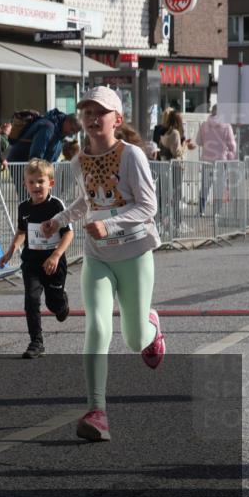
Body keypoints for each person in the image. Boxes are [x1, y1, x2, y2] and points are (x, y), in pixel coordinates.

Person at [41, 87, 164, 442]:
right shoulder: (78, 160)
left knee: (134, 336)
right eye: (87, 112)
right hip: (98, 257)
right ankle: (97, 411)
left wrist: (109, 224)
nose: (93, 118)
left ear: (117, 119)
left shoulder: (132, 156)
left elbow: (148, 207)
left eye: (101, 112)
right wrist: (59, 219)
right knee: (96, 325)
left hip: (135, 252)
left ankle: (152, 329)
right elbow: (86, 201)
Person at [0, 159, 74, 359]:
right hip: (31, 262)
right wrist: (10, 251)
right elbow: (22, 231)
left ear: (51, 183)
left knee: (53, 304)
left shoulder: (56, 205)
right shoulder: (23, 207)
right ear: (25, 185)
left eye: (40, 181)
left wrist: (56, 255)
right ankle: (36, 342)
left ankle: (61, 303)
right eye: (31, 182)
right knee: (31, 299)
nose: (36, 186)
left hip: (53, 263)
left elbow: (68, 234)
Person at [196, 105, 237, 214]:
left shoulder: (204, 125)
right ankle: (216, 213)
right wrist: (229, 153)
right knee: (219, 187)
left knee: (205, 186)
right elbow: (232, 146)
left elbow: (198, 141)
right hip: (220, 161)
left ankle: (201, 210)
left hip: (206, 161)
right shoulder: (227, 126)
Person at [6, 109, 82, 163]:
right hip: (22, 163)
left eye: (75, 132)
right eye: (72, 129)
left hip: (30, 166)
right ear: (67, 121)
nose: (71, 134)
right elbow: (36, 155)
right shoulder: (48, 127)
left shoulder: (59, 134)